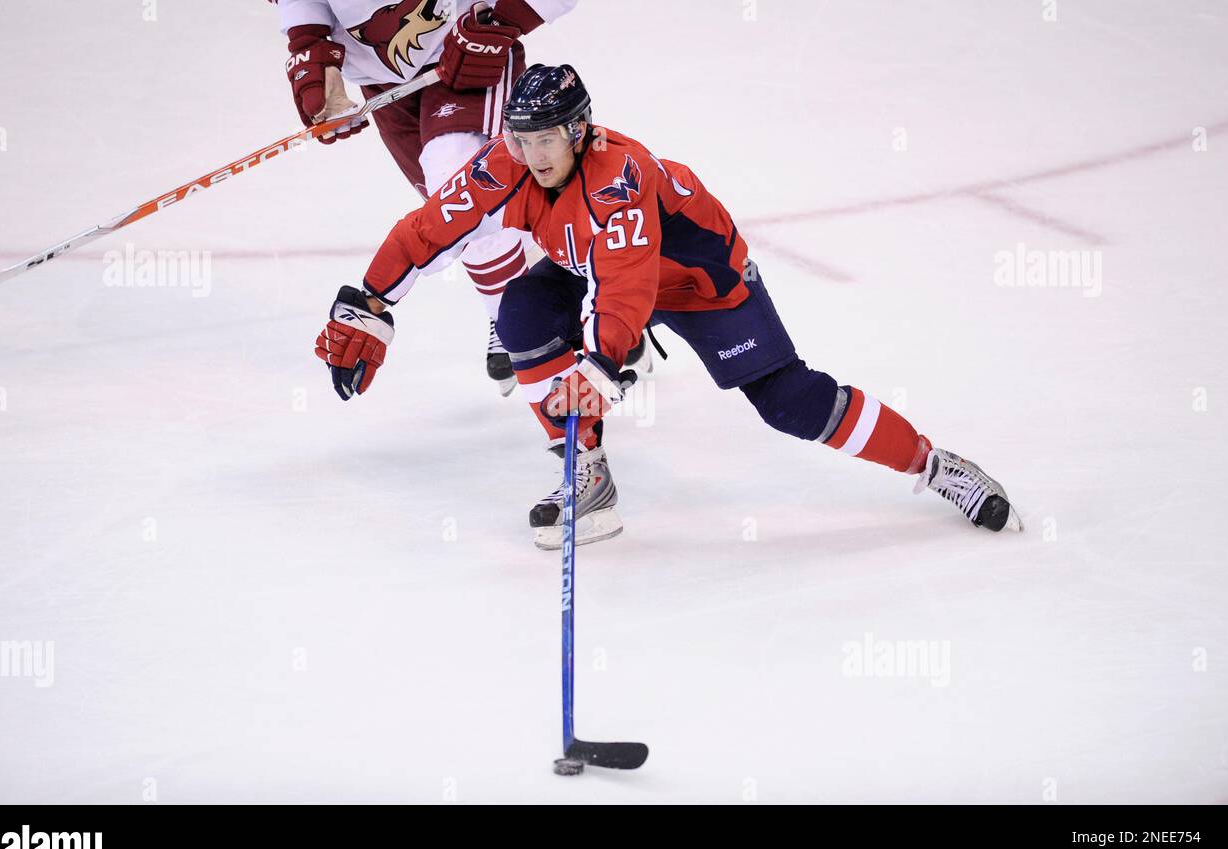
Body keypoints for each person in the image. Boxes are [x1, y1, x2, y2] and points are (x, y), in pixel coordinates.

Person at [314, 64, 1022, 548]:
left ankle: (936, 465)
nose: (533, 154)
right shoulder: (508, 162)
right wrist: (371, 302)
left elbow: (627, 285)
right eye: (522, 139)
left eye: (547, 138)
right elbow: (431, 228)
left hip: (698, 281)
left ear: (580, 129)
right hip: (593, 271)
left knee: (788, 401)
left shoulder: (620, 176)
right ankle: (585, 473)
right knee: (523, 314)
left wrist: (598, 362)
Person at [272, 0, 655, 396]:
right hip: (382, 80)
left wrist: (501, 19)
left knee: (461, 192)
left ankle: (524, 319)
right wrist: (315, 59)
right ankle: (566, 293)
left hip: (471, 49)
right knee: (463, 212)